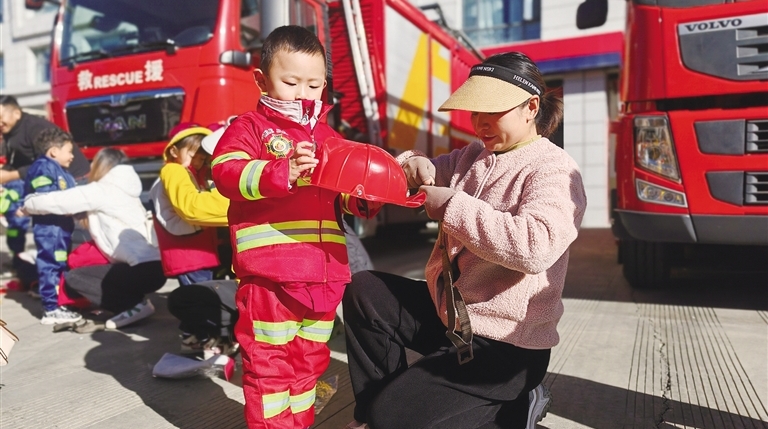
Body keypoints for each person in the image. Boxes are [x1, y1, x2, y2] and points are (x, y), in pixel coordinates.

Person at [342, 51, 588, 429]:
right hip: (454, 320)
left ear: (531, 107)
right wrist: (411, 162)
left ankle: (516, 408)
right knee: (365, 289)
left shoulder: (554, 169)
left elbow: (535, 247)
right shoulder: (472, 155)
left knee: (392, 415)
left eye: (493, 113)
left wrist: (454, 206)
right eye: (475, 113)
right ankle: (381, 413)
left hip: (506, 347)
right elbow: (416, 174)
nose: (481, 125)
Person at [211, 25, 382, 429]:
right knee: (269, 368)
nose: (304, 93)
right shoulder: (250, 128)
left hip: (324, 278)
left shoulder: (329, 137)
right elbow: (226, 173)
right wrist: (280, 171)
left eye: (315, 85)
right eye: (290, 82)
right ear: (261, 80)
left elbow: (346, 194)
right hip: (271, 278)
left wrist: (367, 194)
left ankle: (299, 423)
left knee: (309, 364)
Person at [23, 148, 166, 330]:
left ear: (100, 166)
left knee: (75, 277)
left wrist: (28, 203)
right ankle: (135, 302)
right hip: (155, 268)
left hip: (142, 270)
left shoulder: (103, 189)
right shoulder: (127, 189)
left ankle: (132, 305)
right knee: (94, 270)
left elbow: (58, 201)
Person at [0, 95, 90, 291]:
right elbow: (18, 160)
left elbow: (44, 164)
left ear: (16, 112)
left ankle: (72, 283)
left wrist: (9, 176)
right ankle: (56, 283)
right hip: (50, 186)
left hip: (73, 180)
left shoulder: (35, 128)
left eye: (0, 117)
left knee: (71, 234)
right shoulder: (10, 131)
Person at [149, 122, 220, 286]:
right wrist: (201, 225)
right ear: (174, 151)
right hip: (187, 254)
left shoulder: (193, 175)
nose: (196, 162)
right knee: (198, 296)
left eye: (201, 159)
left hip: (201, 253)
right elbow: (167, 217)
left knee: (207, 292)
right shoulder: (171, 176)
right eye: (192, 155)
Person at [23, 128, 81, 324]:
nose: (72, 156)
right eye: (69, 151)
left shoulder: (61, 171)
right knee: (50, 265)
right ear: (54, 151)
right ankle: (51, 308)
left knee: (59, 265)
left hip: (61, 230)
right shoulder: (43, 167)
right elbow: (44, 198)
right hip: (50, 231)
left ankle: (60, 302)